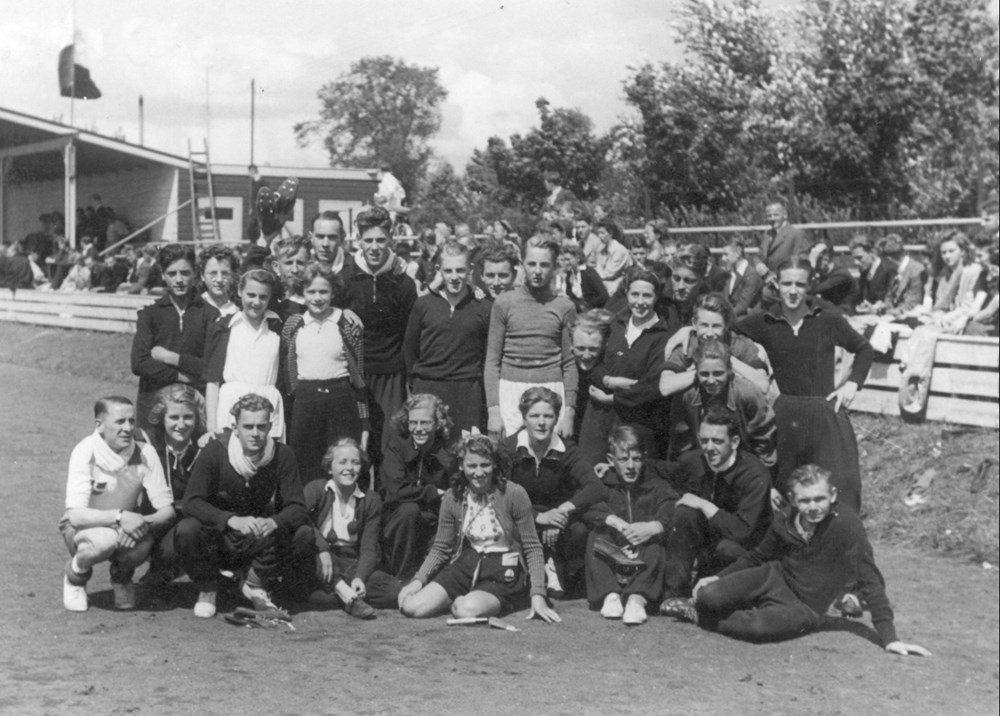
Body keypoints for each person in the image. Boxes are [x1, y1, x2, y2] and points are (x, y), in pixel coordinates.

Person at [688, 464, 932, 656]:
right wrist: (717, 577)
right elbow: (758, 556)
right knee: (710, 595)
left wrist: (890, 638)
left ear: (832, 495)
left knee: (758, 628)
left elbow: (870, 578)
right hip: (774, 577)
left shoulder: (846, 525)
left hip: (805, 605)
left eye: (820, 499)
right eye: (805, 501)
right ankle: (709, 605)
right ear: (793, 500)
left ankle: (700, 617)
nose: (813, 507)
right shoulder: (784, 518)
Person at [735, 257, 873, 512]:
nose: (793, 291)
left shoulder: (828, 319)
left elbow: (864, 349)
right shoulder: (764, 321)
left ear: (809, 285)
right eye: (787, 283)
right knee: (787, 487)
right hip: (786, 413)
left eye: (800, 284)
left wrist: (852, 383)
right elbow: (725, 332)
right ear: (777, 285)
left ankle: (842, 545)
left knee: (844, 485)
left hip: (826, 412)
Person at [397, 434, 561, 624]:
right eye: (472, 466)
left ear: (495, 464)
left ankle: (479, 599)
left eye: (485, 465)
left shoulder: (514, 493)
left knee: (466, 610)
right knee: (412, 607)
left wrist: (538, 595)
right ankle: (466, 597)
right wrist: (419, 579)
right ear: (461, 465)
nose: (479, 472)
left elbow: (532, 547)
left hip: (504, 568)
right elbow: (441, 547)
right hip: (467, 563)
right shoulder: (453, 497)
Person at [176, 394, 307, 618]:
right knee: (188, 529)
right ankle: (208, 587)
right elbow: (191, 502)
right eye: (248, 427)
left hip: (258, 536)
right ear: (235, 427)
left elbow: (298, 506)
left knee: (303, 533)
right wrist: (230, 519)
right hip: (221, 535)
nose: (255, 434)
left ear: (270, 426)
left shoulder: (283, 454)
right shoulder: (215, 450)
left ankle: (256, 583)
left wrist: (274, 522)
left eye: (261, 427)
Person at [60, 397, 175, 612]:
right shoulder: (85, 451)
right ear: (100, 426)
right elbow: (75, 515)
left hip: (127, 524)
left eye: (131, 421)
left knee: (141, 547)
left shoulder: (145, 452)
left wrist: (139, 522)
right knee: (104, 541)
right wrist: (121, 517)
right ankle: (76, 577)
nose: (128, 428)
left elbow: (166, 511)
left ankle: (122, 579)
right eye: (120, 422)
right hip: (83, 526)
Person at [659, 410, 772, 617]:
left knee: (725, 549)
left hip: (746, 552)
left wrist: (704, 504)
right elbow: (661, 470)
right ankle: (674, 594)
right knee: (685, 512)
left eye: (717, 441)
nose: (709, 448)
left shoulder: (755, 474)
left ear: (735, 442)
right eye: (704, 440)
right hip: (710, 543)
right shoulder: (694, 461)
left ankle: (713, 600)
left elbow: (743, 531)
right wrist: (611, 468)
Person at [504, 387, 606, 598]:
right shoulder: (509, 448)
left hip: (558, 520)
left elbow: (595, 486)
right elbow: (498, 493)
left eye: (548, 416)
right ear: (524, 417)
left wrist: (562, 511)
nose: (541, 422)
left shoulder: (566, 449)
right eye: (534, 416)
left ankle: (557, 565)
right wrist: (539, 517)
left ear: (556, 418)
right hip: (521, 518)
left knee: (579, 530)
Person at [290, 438, 401, 617]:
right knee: (302, 538)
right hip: (319, 559)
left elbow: (369, 547)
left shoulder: (370, 499)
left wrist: (360, 577)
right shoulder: (316, 489)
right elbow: (299, 517)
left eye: (355, 462)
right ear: (329, 467)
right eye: (342, 462)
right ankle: (343, 592)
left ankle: (334, 593)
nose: (349, 468)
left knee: (392, 591)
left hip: (350, 563)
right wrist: (322, 549)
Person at [339, 206, 418, 455]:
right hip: (354, 372)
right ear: (359, 240)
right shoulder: (344, 278)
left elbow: (410, 332)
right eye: (369, 240)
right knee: (353, 446)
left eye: (381, 240)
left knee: (389, 444)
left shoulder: (403, 282)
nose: (374, 246)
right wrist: (341, 313)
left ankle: (388, 495)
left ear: (391, 240)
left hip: (391, 375)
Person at [282, 263, 369, 484]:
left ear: (333, 293)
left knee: (341, 460)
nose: (317, 297)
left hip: (340, 399)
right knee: (304, 461)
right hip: (306, 399)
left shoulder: (346, 322)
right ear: (302, 293)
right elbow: (288, 366)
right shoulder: (294, 324)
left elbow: (358, 373)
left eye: (323, 291)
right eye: (311, 292)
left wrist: (364, 417)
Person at [485, 236, 578, 439]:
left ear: (555, 267)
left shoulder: (565, 307)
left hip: (551, 387)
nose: (537, 271)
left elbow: (570, 363)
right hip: (510, 388)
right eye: (531, 264)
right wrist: (494, 410)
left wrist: (569, 412)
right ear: (521, 264)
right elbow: (492, 361)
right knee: (510, 457)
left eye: (544, 265)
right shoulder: (504, 303)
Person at [585, 426, 678, 625]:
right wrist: (613, 520)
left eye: (636, 459)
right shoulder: (604, 484)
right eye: (622, 459)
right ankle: (610, 595)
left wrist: (655, 526)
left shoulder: (655, 485)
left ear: (644, 458)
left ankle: (637, 599)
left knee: (656, 546)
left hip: (642, 555)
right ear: (611, 460)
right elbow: (587, 505)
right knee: (596, 536)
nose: (630, 466)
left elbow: (672, 505)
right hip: (614, 553)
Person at [580, 268, 672, 461]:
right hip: (599, 417)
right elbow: (592, 364)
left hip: (636, 420)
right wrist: (609, 380)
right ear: (627, 294)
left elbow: (651, 386)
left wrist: (612, 399)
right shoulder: (614, 324)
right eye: (634, 294)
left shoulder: (662, 336)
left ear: (656, 297)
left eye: (647, 295)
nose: (639, 302)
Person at [404, 241, 492, 433]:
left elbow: (486, 355)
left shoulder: (483, 306)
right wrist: (418, 383)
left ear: (470, 269)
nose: (454, 277)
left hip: (467, 392)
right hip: (428, 388)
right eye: (448, 270)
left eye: (460, 270)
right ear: (438, 270)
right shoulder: (424, 305)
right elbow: (410, 350)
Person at [130, 245, 218, 427]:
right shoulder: (150, 314)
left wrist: (171, 358)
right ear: (162, 274)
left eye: (185, 273)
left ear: (195, 273)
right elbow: (139, 363)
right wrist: (182, 377)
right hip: (153, 404)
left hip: (193, 406)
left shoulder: (209, 314)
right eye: (172, 273)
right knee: (154, 454)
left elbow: (210, 366)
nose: (179, 280)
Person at [379, 394, 456, 581]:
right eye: (413, 423)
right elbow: (395, 491)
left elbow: (454, 489)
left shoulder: (446, 452)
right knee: (409, 510)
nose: (418, 429)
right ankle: (401, 578)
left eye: (425, 423)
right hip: (399, 521)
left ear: (438, 423)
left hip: (433, 521)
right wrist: (433, 493)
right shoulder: (397, 446)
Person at [670, 339, 776, 469]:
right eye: (704, 374)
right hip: (706, 459)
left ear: (730, 370)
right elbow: (682, 441)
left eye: (718, 373)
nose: (711, 380)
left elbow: (764, 436)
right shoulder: (687, 395)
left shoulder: (748, 393)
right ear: (696, 372)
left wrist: (762, 471)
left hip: (744, 459)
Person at [205, 269, 285, 441]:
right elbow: (212, 380)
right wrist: (211, 426)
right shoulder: (224, 327)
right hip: (231, 407)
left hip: (268, 409)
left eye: (263, 297)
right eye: (251, 295)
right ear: (240, 292)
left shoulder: (278, 327)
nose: (256, 302)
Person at [659, 292, 771, 401]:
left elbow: (763, 386)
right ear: (694, 323)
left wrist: (726, 361)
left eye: (716, 326)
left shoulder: (740, 344)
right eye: (704, 325)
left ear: (726, 325)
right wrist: (704, 371)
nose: (709, 333)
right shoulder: (687, 345)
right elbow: (665, 387)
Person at [569, 308, 614, 437]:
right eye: (581, 348)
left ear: (604, 345)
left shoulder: (609, 368)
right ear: (571, 344)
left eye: (593, 349)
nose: (587, 356)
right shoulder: (563, 368)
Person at [757, 201, 811, 281]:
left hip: (786, 281)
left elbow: (801, 262)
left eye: (776, 215)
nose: (772, 218)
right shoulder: (767, 234)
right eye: (769, 216)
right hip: (766, 279)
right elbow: (759, 256)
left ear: (785, 215)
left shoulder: (796, 234)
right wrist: (759, 264)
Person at [877, 234, 926, 315]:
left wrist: (886, 312)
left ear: (890, 259)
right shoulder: (893, 271)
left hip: (910, 315)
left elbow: (912, 303)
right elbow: (889, 296)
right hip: (893, 314)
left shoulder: (916, 270)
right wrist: (883, 308)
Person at [554, 241, 608, 313]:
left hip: (595, 310)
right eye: (565, 260)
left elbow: (603, 296)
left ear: (577, 258)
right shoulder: (569, 275)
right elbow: (572, 297)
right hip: (579, 311)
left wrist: (587, 306)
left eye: (568, 259)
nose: (566, 262)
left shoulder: (589, 273)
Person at [850, 234, 898, 312]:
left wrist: (876, 307)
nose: (856, 262)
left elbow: (894, 301)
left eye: (859, 258)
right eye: (855, 258)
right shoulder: (864, 272)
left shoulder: (889, 270)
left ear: (872, 253)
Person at [808, 243, 858, 314]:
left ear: (826, 259)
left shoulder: (841, 275)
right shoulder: (824, 274)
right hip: (832, 311)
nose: (815, 264)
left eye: (816, 260)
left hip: (845, 314)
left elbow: (812, 290)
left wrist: (811, 264)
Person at [719, 237, 763, 317]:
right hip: (733, 316)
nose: (723, 258)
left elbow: (743, 305)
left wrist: (724, 317)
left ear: (738, 252)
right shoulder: (730, 274)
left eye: (726, 254)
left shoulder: (751, 274)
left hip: (748, 318)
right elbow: (723, 299)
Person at [586, 220, 632, 295]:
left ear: (610, 233)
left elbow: (608, 274)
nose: (600, 236)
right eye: (598, 233)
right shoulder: (602, 249)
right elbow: (598, 267)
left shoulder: (618, 250)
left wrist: (591, 273)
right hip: (607, 284)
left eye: (602, 233)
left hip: (618, 286)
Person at [198, 244, 239, 317]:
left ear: (232, 275)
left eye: (225, 273)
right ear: (202, 276)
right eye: (213, 273)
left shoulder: (239, 308)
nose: (219, 279)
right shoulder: (196, 307)